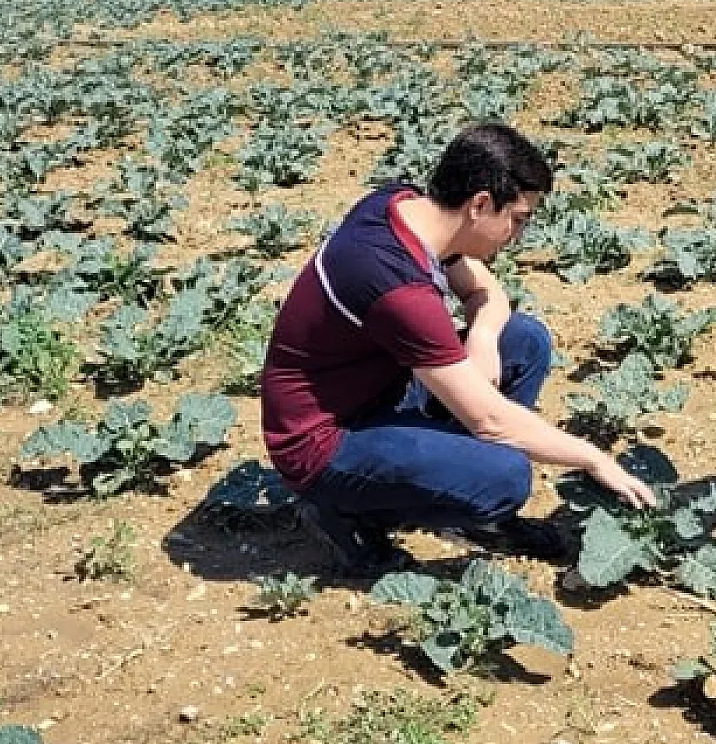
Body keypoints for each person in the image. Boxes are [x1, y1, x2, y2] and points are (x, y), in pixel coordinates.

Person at [260, 122, 658, 576]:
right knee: (505, 475)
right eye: (518, 219)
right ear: (480, 205)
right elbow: (488, 421)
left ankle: (462, 507)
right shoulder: (394, 285)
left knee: (522, 340)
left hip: (378, 395)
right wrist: (594, 458)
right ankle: (347, 513)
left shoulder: (404, 208)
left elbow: (486, 291)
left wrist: (484, 337)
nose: (518, 235)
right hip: (323, 443)